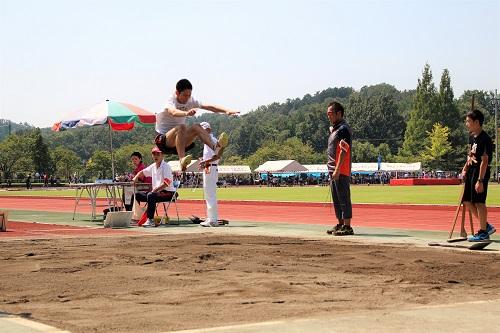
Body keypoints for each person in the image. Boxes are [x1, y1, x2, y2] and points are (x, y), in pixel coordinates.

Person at [154, 79, 239, 171]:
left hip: (180, 142)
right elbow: (173, 112)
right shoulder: (171, 100)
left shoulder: (191, 101)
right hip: (164, 141)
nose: (187, 98)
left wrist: (226, 111)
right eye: (184, 95)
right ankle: (182, 159)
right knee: (182, 127)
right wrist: (186, 113)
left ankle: (215, 147)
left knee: (197, 126)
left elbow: (210, 107)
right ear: (177, 93)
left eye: (189, 95)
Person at [461, 109, 496, 241]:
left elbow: (484, 160)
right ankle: (486, 226)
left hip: (480, 173)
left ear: (477, 122)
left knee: (479, 202)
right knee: (467, 201)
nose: (466, 124)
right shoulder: (471, 137)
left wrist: (480, 180)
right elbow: (471, 156)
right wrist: (464, 169)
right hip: (471, 171)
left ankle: (483, 232)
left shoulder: (485, 139)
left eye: (468, 121)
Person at [325, 101, 353, 236]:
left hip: (341, 169)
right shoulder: (335, 129)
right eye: (327, 114)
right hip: (333, 169)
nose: (328, 116)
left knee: (343, 197)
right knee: (336, 199)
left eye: (330, 113)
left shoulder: (343, 129)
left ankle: (347, 226)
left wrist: (337, 169)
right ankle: (340, 223)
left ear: (338, 113)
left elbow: (343, 150)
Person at [132, 147, 177, 227]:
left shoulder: (166, 167)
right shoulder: (153, 166)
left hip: (169, 193)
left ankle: (150, 220)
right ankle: (135, 217)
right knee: (136, 195)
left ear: (162, 155)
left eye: (158, 154)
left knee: (151, 195)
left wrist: (156, 189)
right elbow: (142, 172)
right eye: (154, 154)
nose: (155, 156)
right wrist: (135, 178)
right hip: (156, 193)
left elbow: (167, 182)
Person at [198, 122, 225, 227]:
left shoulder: (211, 140)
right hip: (209, 168)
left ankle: (213, 219)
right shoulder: (208, 141)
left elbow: (217, 156)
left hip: (211, 168)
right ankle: (211, 218)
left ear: (207, 130)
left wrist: (205, 162)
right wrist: (204, 161)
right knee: (209, 194)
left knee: (210, 194)